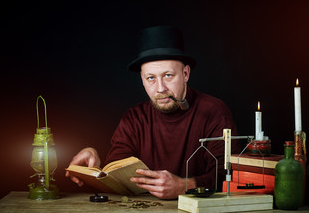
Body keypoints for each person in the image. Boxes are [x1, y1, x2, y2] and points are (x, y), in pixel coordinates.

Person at [65, 26, 238, 199]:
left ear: (185, 74)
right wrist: (95, 160)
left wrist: (183, 186)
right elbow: (116, 174)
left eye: (168, 75)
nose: (160, 88)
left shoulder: (214, 112)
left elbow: (229, 175)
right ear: (142, 79)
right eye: (151, 78)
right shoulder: (134, 118)